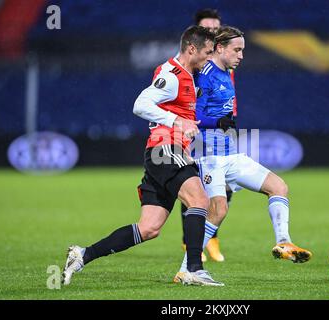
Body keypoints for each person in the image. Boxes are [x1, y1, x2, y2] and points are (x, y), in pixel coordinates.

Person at [62, 26, 224, 287]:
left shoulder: (189, 77)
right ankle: (194, 269)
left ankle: (82, 255)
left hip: (165, 153)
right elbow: (140, 105)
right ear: (191, 49)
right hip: (165, 150)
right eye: (206, 52)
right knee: (200, 200)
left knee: (149, 228)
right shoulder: (172, 74)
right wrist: (177, 121)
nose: (208, 58)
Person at [174, 26, 312, 284]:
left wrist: (223, 123)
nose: (241, 55)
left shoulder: (227, 73)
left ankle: (283, 242)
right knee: (218, 209)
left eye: (243, 50)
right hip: (208, 154)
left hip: (230, 153)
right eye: (237, 49)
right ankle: (187, 268)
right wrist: (219, 121)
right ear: (219, 48)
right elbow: (191, 116)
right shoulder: (204, 75)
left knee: (278, 186)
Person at [179, 8, 233, 263]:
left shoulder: (226, 60)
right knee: (193, 186)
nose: (213, 31)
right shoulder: (196, 62)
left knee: (227, 186)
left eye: (216, 27)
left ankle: (210, 238)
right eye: (208, 28)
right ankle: (190, 242)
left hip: (222, 128)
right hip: (198, 129)